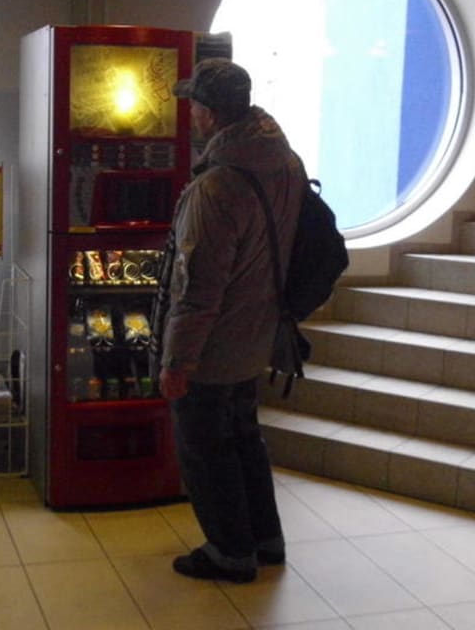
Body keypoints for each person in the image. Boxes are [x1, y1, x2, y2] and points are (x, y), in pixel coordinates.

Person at [157, 58, 308, 583]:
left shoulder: (218, 185)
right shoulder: (284, 161)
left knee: (205, 447)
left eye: (194, 105)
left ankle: (229, 551)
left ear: (209, 114)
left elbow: (197, 287)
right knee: (244, 438)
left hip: (214, 343)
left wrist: (177, 360)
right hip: (258, 331)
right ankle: (265, 540)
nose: (191, 115)